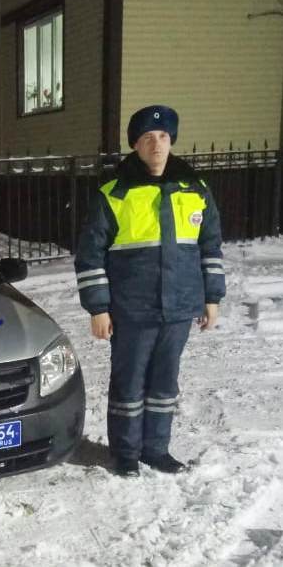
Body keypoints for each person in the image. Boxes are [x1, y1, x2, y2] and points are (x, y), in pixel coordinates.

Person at [74, 105, 225, 477]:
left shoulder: (196, 191)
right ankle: (125, 453)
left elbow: (211, 247)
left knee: (164, 384)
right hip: (131, 310)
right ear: (135, 146)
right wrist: (98, 308)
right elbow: (90, 255)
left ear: (171, 140)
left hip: (178, 308)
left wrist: (212, 298)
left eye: (162, 137)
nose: (156, 145)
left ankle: (156, 449)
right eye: (147, 139)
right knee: (128, 383)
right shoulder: (114, 194)